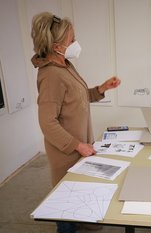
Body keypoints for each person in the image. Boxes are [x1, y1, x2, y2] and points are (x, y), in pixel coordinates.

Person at [31, 12, 120, 233]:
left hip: (81, 147)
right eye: (71, 40)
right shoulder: (51, 75)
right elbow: (47, 122)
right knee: (66, 202)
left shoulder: (65, 65)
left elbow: (78, 98)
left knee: (79, 200)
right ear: (57, 45)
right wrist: (77, 145)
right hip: (67, 153)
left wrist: (101, 89)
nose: (75, 43)